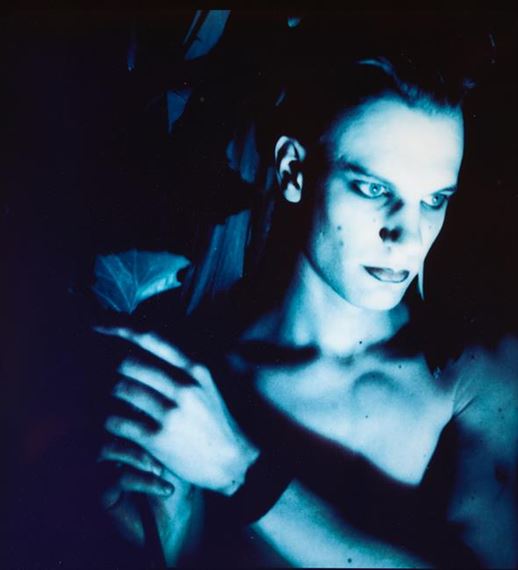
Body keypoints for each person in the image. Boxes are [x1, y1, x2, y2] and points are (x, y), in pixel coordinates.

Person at [95, 14, 517, 568]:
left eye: (434, 200)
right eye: (374, 189)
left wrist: (239, 472)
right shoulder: (199, 382)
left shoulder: (476, 376)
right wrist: (172, 541)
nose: (409, 236)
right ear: (293, 171)